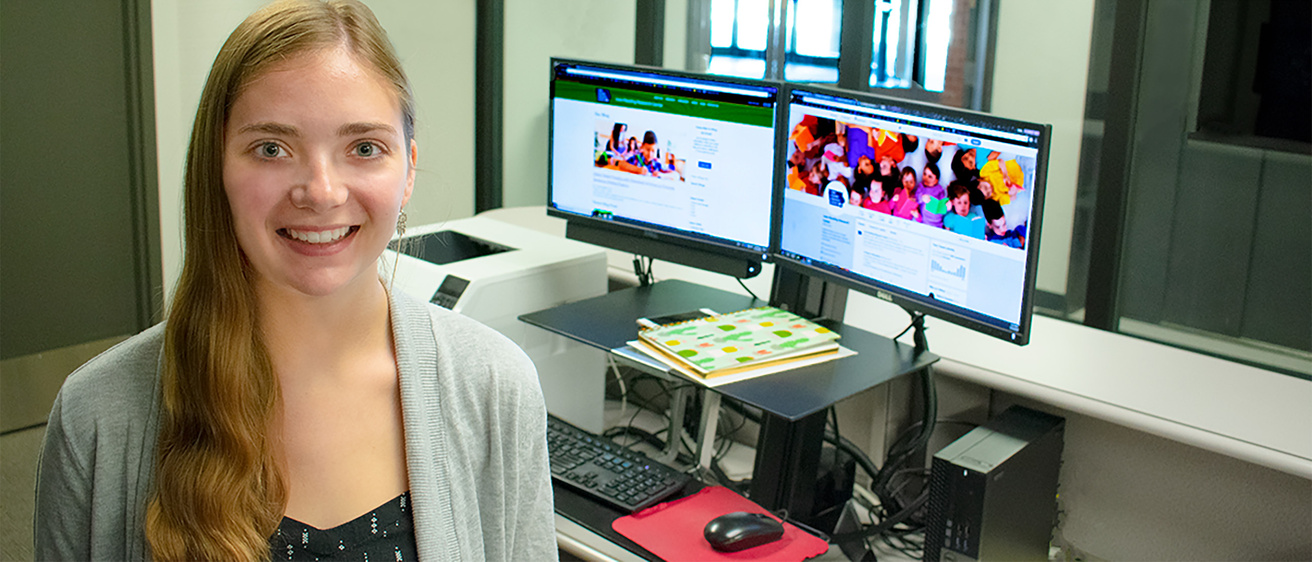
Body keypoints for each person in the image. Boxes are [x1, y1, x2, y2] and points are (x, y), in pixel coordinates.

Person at [33, 2, 557, 561]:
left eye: (363, 148)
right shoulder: (98, 416)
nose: (322, 191)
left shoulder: (496, 387)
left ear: (407, 171)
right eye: (272, 148)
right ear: (217, 168)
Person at [918, 162, 949, 228]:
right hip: (925, 222)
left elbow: (942, 201)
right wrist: (922, 197)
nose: (926, 178)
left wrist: (947, 205)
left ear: (936, 180)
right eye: (925, 174)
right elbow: (916, 198)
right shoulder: (921, 187)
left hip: (938, 222)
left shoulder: (940, 189)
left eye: (930, 177)